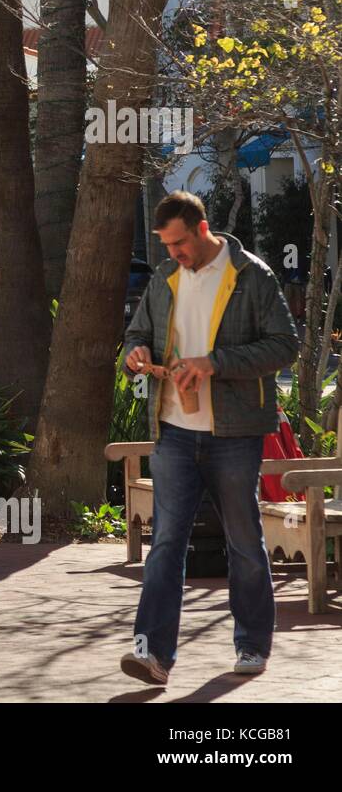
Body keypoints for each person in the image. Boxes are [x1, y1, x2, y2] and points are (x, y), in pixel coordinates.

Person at [120, 191, 299, 686]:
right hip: (174, 432)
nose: (172, 253)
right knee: (166, 543)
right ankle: (152, 653)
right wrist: (134, 353)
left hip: (234, 434)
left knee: (244, 542)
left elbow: (286, 345)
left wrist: (215, 363)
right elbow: (137, 333)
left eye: (178, 243)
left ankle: (252, 645)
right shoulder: (164, 278)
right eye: (165, 245)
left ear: (201, 230)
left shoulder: (252, 275)